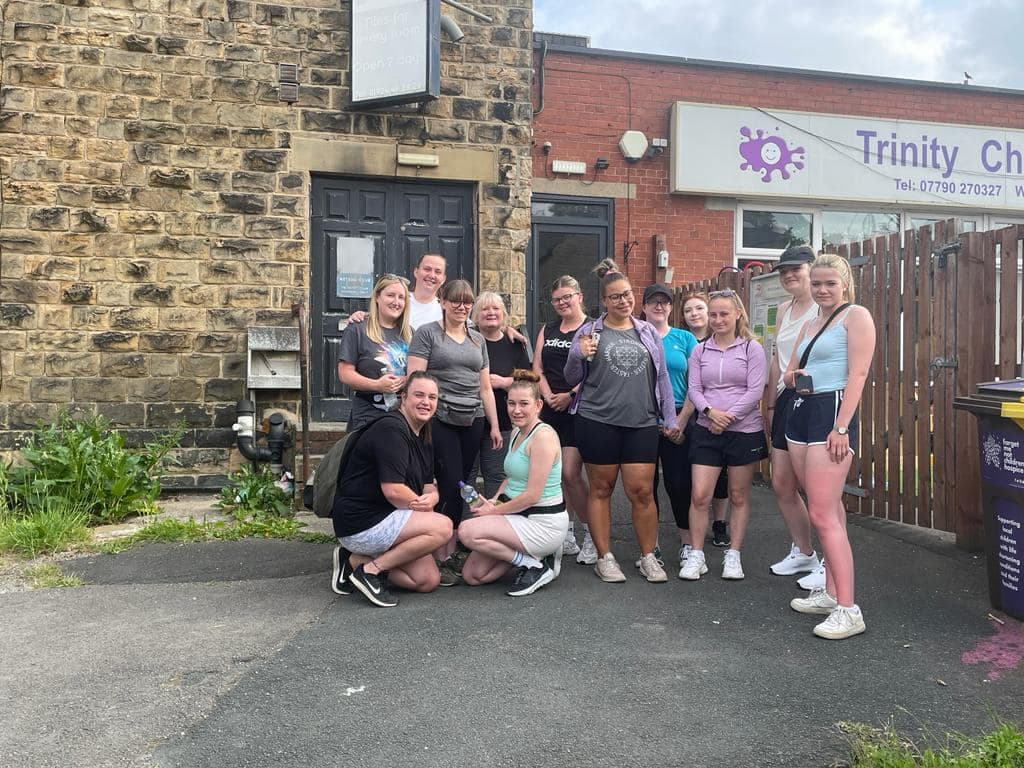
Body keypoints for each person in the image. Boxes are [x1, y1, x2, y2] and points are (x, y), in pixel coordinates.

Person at [564, 260, 675, 584]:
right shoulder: (589, 333)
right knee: (601, 488)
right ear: (604, 301)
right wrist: (578, 354)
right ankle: (605, 557)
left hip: (641, 422)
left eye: (627, 295)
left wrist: (668, 417)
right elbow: (571, 377)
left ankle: (647, 557)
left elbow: (663, 377)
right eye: (615, 297)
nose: (623, 301)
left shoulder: (647, 332)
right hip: (598, 420)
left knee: (642, 492)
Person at [785, 253, 876, 640]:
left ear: (844, 284)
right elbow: (790, 372)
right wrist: (793, 377)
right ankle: (832, 592)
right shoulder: (811, 321)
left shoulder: (856, 316)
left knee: (823, 514)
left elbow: (857, 374)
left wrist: (842, 427)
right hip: (801, 410)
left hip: (831, 412)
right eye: (817, 283)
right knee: (829, 508)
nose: (822, 290)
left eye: (829, 284)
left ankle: (848, 608)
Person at [407, 279, 502, 585]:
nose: (462, 307)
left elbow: (485, 386)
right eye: (456, 301)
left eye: (467, 302)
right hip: (441, 418)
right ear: (443, 302)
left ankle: (452, 544)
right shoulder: (428, 334)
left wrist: (495, 424)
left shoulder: (477, 340)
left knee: (465, 483)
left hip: (473, 419)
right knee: (448, 482)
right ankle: (441, 552)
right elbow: (415, 377)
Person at [330, 371, 452, 607]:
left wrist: (432, 496)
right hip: (361, 520)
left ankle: (353, 561)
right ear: (403, 396)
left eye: (432, 397)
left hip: (390, 517)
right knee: (443, 527)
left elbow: (429, 482)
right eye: (419, 395)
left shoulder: (422, 431)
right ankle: (371, 571)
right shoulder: (391, 429)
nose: (426, 402)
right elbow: (394, 491)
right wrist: (424, 510)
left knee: (427, 580)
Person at [679, 289, 768, 582]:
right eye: (713, 314)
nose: (717, 320)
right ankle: (696, 554)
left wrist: (726, 418)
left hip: (743, 431)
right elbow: (694, 389)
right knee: (700, 495)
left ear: (737, 313)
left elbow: (755, 390)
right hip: (707, 429)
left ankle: (734, 554)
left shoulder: (751, 348)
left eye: (723, 314)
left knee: (738, 495)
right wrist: (710, 413)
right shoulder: (699, 350)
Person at [459, 370, 569, 596]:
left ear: (538, 405)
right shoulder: (518, 431)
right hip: (519, 516)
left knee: (467, 531)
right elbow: (511, 476)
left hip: (542, 521)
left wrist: (494, 513)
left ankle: (535, 564)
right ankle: (531, 557)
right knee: (474, 575)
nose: (516, 410)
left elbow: (532, 495)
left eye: (523, 404)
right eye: (511, 403)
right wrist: (494, 501)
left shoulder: (543, 437)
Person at [764, 245, 825, 588]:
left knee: (818, 489)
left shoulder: (825, 308)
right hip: (787, 398)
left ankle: (831, 563)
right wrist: (771, 405)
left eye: (795, 269)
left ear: (811, 269)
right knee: (782, 484)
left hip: (816, 399)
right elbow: (777, 358)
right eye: (783, 270)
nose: (788, 275)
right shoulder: (784, 309)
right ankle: (804, 552)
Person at [534, 275, 593, 562]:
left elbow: (596, 371)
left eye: (567, 296)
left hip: (577, 410)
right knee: (554, 477)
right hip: (549, 408)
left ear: (579, 296)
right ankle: (565, 534)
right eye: (557, 299)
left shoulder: (592, 328)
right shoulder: (548, 328)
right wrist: (547, 397)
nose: (562, 303)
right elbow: (538, 368)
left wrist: (570, 394)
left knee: (571, 474)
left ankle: (591, 533)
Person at [641, 284, 698, 577]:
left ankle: (687, 543)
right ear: (644, 307)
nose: (659, 307)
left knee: (678, 483)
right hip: (643, 419)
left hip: (678, 415)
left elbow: (697, 382)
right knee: (645, 485)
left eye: (664, 302)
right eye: (653, 302)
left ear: (671, 307)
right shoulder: (636, 335)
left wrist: (681, 419)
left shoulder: (684, 338)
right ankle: (651, 545)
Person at [680, 291, 731, 548]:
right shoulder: (684, 343)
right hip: (694, 416)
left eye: (699, 308)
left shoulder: (722, 340)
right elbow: (692, 387)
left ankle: (720, 522)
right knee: (697, 476)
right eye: (688, 310)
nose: (695, 314)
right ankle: (694, 526)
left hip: (723, 418)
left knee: (721, 477)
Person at [473, 292, 531, 498]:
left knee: (497, 476)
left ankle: (493, 524)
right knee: (466, 478)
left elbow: (530, 379)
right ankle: (465, 525)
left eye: (495, 308)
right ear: (475, 315)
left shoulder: (514, 343)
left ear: (504, 314)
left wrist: (506, 382)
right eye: (485, 309)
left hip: (503, 423)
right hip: (469, 421)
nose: (490, 313)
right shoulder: (468, 340)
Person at [337, 274, 410, 431]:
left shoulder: (411, 334)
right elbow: (345, 373)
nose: (396, 302)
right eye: (390, 295)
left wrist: (404, 380)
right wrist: (377, 385)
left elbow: (419, 372)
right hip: (367, 413)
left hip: (403, 415)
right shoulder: (357, 329)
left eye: (401, 297)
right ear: (377, 297)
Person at [348, 253, 446, 331]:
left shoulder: (446, 309)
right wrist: (361, 316)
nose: (432, 275)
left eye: (438, 272)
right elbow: (376, 318)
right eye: (427, 269)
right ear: (416, 272)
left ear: (443, 279)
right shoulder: (398, 301)